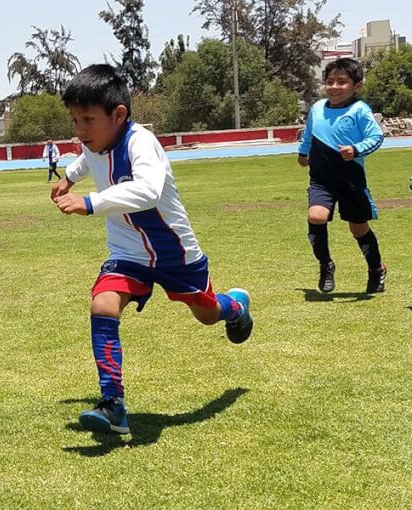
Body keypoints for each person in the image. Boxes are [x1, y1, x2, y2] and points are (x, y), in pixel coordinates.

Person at [51, 64, 253, 435]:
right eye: (75, 120)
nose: (80, 130)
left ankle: (235, 307)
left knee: (207, 314)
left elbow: (148, 192)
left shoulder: (141, 143)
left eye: (88, 120)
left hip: (175, 251)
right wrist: (67, 178)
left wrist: (90, 202)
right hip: (128, 252)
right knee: (103, 304)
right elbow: (85, 160)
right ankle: (113, 405)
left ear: (119, 115)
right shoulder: (93, 142)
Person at [298, 58, 386, 294]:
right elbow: (308, 133)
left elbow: (376, 136)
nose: (334, 87)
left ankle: (376, 269)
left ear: (357, 86)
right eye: (330, 81)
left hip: (351, 181)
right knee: (316, 216)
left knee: (358, 229)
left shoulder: (359, 110)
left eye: (342, 82)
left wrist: (356, 149)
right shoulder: (317, 108)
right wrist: (303, 152)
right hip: (321, 179)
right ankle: (326, 264)